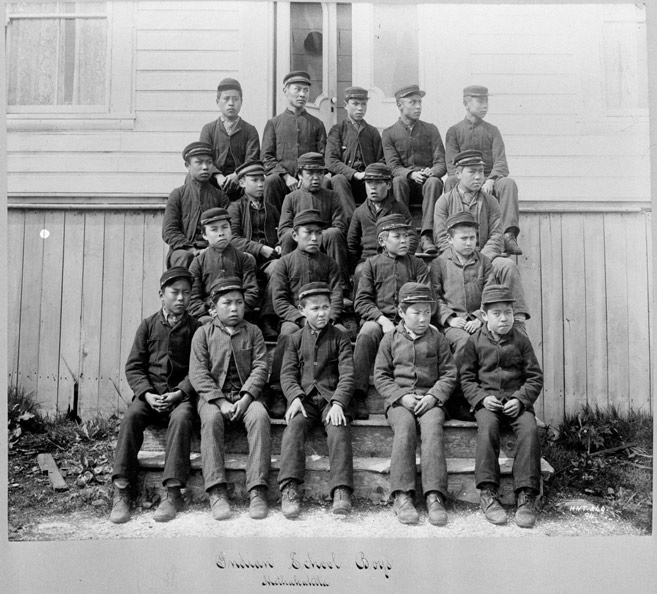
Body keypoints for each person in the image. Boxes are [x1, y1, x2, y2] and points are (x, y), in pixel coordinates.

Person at [110, 267, 200, 524]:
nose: (181, 298)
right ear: (161, 294)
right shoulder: (148, 325)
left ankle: (172, 493)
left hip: (179, 398)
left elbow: (198, 369)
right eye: (174, 293)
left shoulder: (196, 328)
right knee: (131, 417)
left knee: (182, 419)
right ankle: (122, 491)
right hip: (150, 395)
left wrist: (180, 393)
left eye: (186, 293)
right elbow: (134, 366)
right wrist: (146, 394)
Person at [459, 284, 544, 528]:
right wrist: (481, 399)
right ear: (484, 316)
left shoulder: (521, 341)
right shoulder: (474, 342)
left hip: (517, 403)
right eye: (497, 314)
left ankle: (526, 496)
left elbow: (535, 377)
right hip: (488, 402)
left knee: (529, 430)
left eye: (508, 312)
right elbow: (466, 378)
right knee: (486, 428)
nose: (504, 318)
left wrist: (521, 399)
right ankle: (488, 493)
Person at [373, 282, 457, 525]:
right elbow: (381, 376)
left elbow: (449, 374)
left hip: (431, 401)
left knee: (432, 429)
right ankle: (402, 495)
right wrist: (400, 396)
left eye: (427, 312)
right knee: (405, 427)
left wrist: (433, 396)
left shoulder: (438, 339)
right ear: (401, 312)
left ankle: (434, 495)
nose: (423, 318)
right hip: (400, 402)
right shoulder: (389, 339)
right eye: (416, 312)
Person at [189, 277, 271, 520]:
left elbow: (260, 367)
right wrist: (220, 401)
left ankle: (257, 489)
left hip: (246, 397)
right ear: (214, 308)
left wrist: (246, 398)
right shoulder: (203, 334)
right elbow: (198, 373)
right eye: (227, 303)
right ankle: (216, 491)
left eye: (239, 302)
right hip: (214, 399)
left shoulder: (253, 332)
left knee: (260, 416)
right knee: (212, 420)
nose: (234, 308)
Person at [277, 282, 355, 518]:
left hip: (331, 399)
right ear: (302, 310)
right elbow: (287, 373)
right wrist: (295, 397)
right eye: (315, 309)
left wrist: (339, 402)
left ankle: (341, 489)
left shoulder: (340, 337)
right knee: (294, 428)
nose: (321, 313)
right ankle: (289, 487)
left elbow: (348, 374)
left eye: (326, 307)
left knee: (339, 429)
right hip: (305, 400)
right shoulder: (295, 338)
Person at [433, 149, 529, 330]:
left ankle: (517, 321)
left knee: (507, 266)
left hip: (486, 258)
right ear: (458, 173)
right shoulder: (444, 202)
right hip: (455, 259)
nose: (479, 177)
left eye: (481, 172)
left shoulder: (491, 201)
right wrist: (461, 258)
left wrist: (480, 259)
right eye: (472, 172)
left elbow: (496, 236)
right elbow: (441, 238)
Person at [352, 214, 430, 419]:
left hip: (410, 321)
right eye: (397, 236)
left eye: (406, 235)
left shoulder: (418, 265)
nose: (405, 240)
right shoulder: (371, 264)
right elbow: (361, 301)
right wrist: (382, 319)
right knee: (367, 333)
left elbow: (428, 298)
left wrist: (408, 321)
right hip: (380, 320)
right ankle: (359, 394)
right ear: (382, 241)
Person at [269, 209, 344, 417]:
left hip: (325, 319)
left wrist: (331, 317)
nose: (314, 238)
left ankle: (342, 391)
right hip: (296, 318)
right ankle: (277, 390)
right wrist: (301, 319)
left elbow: (336, 295)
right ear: (294, 235)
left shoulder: (329, 263)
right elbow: (280, 300)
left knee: (341, 332)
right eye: (308, 232)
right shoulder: (284, 263)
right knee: (288, 332)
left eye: (318, 233)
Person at [444, 86, 522, 255]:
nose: (485, 105)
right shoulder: (454, 131)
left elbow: (500, 161)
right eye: (480, 101)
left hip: (489, 179)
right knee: (450, 181)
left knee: (508, 183)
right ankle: (453, 231)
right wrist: (469, 181)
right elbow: (452, 166)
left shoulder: (492, 131)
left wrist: (491, 179)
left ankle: (508, 235)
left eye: (486, 101)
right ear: (466, 103)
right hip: (464, 180)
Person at [382, 84, 445, 255]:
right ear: (400, 105)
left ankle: (426, 235)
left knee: (434, 182)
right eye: (413, 102)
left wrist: (432, 171)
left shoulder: (430, 130)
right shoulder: (389, 133)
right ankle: (409, 234)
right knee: (398, 180)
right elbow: (393, 166)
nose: (418, 107)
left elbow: (441, 162)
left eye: (420, 102)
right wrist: (410, 174)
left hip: (427, 185)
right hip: (405, 185)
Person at [277, 152, 349, 287]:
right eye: (310, 173)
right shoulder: (291, 198)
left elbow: (340, 225)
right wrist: (304, 236)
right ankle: (286, 285)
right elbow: (283, 229)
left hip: (324, 241)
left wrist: (317, 235)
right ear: (299, 175)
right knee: (287, 236)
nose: (316, 178)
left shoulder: (332, 196)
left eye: (320, 173)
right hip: (300, 243)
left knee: (335, 233)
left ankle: (340, 287)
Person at [431, 211, 494, 364]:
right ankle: (458, 385)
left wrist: (480, 318)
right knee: (464, 342)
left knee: (493, 341)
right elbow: (434, 297)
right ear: (450, 239)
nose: (469, 243)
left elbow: (490, 293)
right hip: (451, 325)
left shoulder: (484, 262)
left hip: (479, 321)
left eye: (472, 238)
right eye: (463, 238)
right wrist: (450, 319)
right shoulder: (439, 263)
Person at [227, 160, 281, 340]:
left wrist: (278, 244)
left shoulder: (271, 208)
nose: (260, 184)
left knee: (279, 267)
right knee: (248, 257)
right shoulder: (235, 208)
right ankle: (247, 314)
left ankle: (267, 318)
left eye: (262, 180)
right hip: (243, 260)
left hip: (267, 260)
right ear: (242, 183)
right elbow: (232, 239)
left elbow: (280, 231)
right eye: (254, 180)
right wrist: (259, 248)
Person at [261, 71, 327, 212]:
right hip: (282, 181)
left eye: (306, 90)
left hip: (309, 180)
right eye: (297, 89)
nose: (302, 94)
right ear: (285, 91)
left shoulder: (317, 124)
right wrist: (286, 176)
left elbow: (323, 157)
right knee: (271, 181)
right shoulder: (274, 123)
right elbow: (266, 157)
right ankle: (273, 230)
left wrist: (308, 176)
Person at [346, 162, 417, 291]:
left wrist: (403, 256)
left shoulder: (399, 208)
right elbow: (352, 242)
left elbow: (412, 236)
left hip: (396, 257)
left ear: (389, 185)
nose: (373, 188)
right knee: (360, 271)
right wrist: (353, 267)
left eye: (378, 183)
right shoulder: (360, 212)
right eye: (369, 183)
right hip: (368, 259)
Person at [162, 142, 230, 268]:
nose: (205, 167)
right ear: (187, 166)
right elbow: (169, 231)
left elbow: (227, 229)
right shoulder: (177, 195)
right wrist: (192, 250)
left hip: (214, 248)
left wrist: (211, 249)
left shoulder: (221, 197)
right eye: (199, 162)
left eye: (209, 162)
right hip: (184, 250)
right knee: (185, 257)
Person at [188, 208, 258, 322]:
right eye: (214, 229)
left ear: (231, 230)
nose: (221, 233)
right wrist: (209, 309)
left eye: (225, 227)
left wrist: (237, 308)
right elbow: (193, 298)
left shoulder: (244, 259)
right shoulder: (198, 262)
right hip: (209, 313)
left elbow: (252, 292)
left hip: (238, 311)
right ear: (205, 235)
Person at [326, 86, 384, 222]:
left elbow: (382, 159)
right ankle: (353, 223)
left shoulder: (372, 132)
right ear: (345, 105)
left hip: (368, 181)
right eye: (355, 104)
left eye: (364, 104)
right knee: (337, 179)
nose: (360, 108)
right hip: (347, 183)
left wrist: (370, 173)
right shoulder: (337, 130)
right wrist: (355, 174)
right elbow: (331, 160)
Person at [199, 78, 260, 200]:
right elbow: (204, 158)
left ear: (241, 102)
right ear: (218, 101)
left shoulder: (250, 130)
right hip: (214, 183)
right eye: (226, 99)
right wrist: (217, 176)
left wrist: (237, 175)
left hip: (241, 184)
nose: (231, 103)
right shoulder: (208, 129)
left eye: (235, 99)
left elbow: (251, 159)